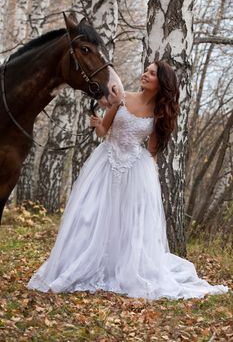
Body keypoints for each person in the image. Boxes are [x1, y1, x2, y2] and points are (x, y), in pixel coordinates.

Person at [27, 61, 229, 300]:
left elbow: (152, 150)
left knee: (127, 220)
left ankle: (119, 267)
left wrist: (148, 185)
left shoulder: (159, 112)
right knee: (91, 214)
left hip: (135, 167)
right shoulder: (122, 98)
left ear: (161, 83)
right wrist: (96, 124)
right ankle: (80, 263)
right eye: (147, 70)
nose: (145, 74)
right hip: (106, 161)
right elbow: (104, 131)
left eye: (152, 73)